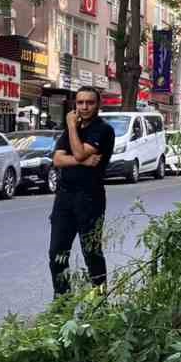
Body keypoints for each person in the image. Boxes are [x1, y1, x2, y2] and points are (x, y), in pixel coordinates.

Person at [48, 86, 115, 296]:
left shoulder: (102, 130)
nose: (84, 107)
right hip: (64, 198)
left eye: (89, 102)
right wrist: (84, 162)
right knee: (56, 253)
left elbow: (77, 153)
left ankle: (99, 302)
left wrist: (71, 128)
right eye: (80, 102)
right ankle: (63, 300)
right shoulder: (71, 130)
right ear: (75, 104)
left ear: (98, 105)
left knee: (91, 253)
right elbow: (57, 159)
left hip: (90, 198)